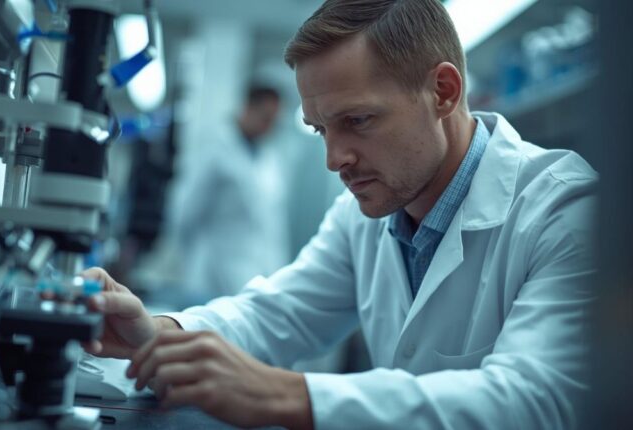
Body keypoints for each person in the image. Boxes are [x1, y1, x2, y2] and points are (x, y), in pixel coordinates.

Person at [81, 0, 597, 428]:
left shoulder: (564, 212)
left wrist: (288, 396)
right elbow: (278, 314)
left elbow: (536, 399)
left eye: (358, 120)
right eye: (322, 129)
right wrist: (159, 330)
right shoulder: (360, 216)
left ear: (443, 91)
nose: (335, 160)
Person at [167, 85, 289, 300]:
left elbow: (272, 225)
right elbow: (185, 213)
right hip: (211, 276)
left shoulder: (269, 158)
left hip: (258, 275)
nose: (269, 127)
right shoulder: (214, 148)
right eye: (265, 117)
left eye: (274, 121)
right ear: (247, 108)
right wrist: (189, 261)